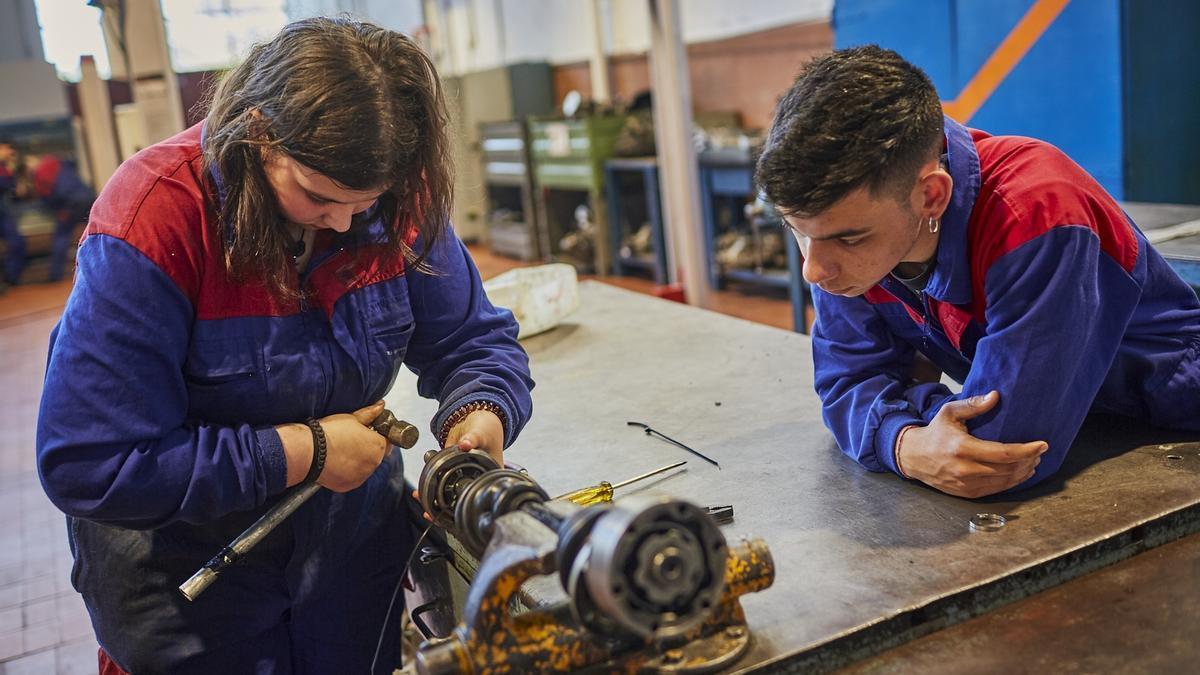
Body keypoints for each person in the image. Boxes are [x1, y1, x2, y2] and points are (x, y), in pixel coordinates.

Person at [36, 17, 533, 674]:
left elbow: (473, 340)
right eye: (319, 196)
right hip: (186, 585)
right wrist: (306, 449)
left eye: (368, 201)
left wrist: (482, 412)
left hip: (347, 564)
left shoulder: (390, 191)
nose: (346, 221)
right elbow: (90, 459)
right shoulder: (154, 218)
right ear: (260, 134)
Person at [755, 46, 1200, 499]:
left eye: (848, 239)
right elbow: (846, 382)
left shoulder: (1036, 215)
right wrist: (906, 443)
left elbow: (1000, 450)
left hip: (1170, 423)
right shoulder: (848, 227)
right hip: (1090, 428)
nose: (814, 269)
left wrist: (898, 408)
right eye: (798, 231)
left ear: (931, 196)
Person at [28, 152, 95, 281]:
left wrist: (65, 210)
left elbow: (62, 192)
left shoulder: (43, 174)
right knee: (92, 234)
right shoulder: (59, 166)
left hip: (73, 204)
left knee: (61, 237)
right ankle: (94, 268)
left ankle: (55, 274)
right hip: (87, 199)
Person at [0, 140, 24, 286]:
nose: (10, 153)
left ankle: (10, 278)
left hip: (3, 212)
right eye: (7, 149)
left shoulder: (5, 168)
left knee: (17, 243)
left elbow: (13, 189)